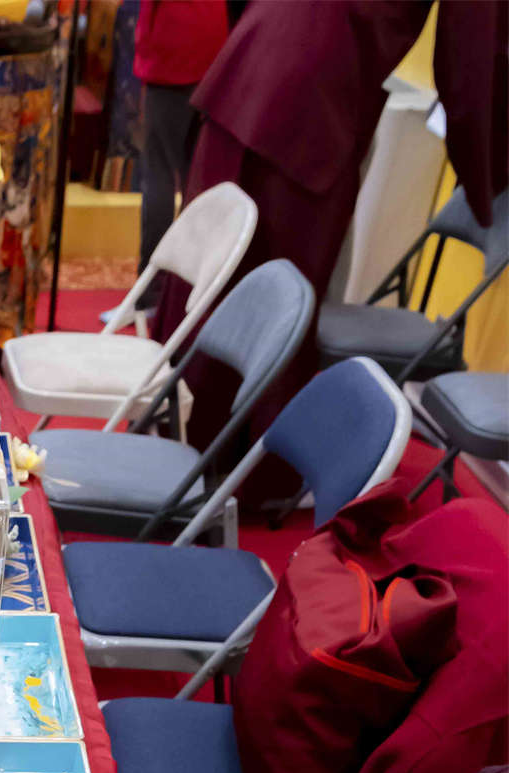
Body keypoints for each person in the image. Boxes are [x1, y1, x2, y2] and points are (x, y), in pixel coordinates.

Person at [162, 0, 508, 465]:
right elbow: (470, 63)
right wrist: (489, 180)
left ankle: (171, 447)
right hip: (315, 108)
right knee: (278, 307)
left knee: (207, 283)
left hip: (247, 66)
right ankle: (240, 471)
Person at [132, 0, 229, 285]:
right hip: (213, 50)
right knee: (198, 177)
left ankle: (153, 285)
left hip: (170, 53)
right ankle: (191, 283)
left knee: (159, 175)